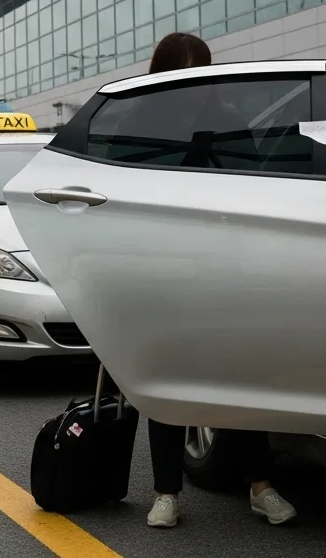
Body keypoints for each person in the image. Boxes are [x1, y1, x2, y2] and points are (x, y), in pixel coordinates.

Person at [135, 33, 297, 529]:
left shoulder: (228, 120)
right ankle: (166, 493)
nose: (194, 81)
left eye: (200, 69)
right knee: (167, 380)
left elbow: (253, 178)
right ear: (163, 72)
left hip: (226, 265)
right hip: (164, 266)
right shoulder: (136, 121)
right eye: (184, 69)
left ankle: (261, 486)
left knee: (240, 376)